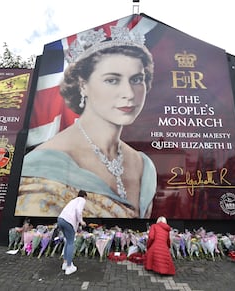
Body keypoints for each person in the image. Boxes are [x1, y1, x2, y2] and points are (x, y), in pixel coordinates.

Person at [16, 26, 157, 219]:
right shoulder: (42, 165)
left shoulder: (144, 165)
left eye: (136, 79)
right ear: (83, 85)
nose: (129, 94)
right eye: (112, 80)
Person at [57, 190, 87, 275]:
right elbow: (78, 210)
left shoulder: (73, 200)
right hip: (68, 222)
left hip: (60, 220)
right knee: (71, 242)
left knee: (67, 241)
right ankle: (69, 267)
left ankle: (65, 263)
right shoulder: (82, 200)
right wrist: (81, 221)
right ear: (84, 196)